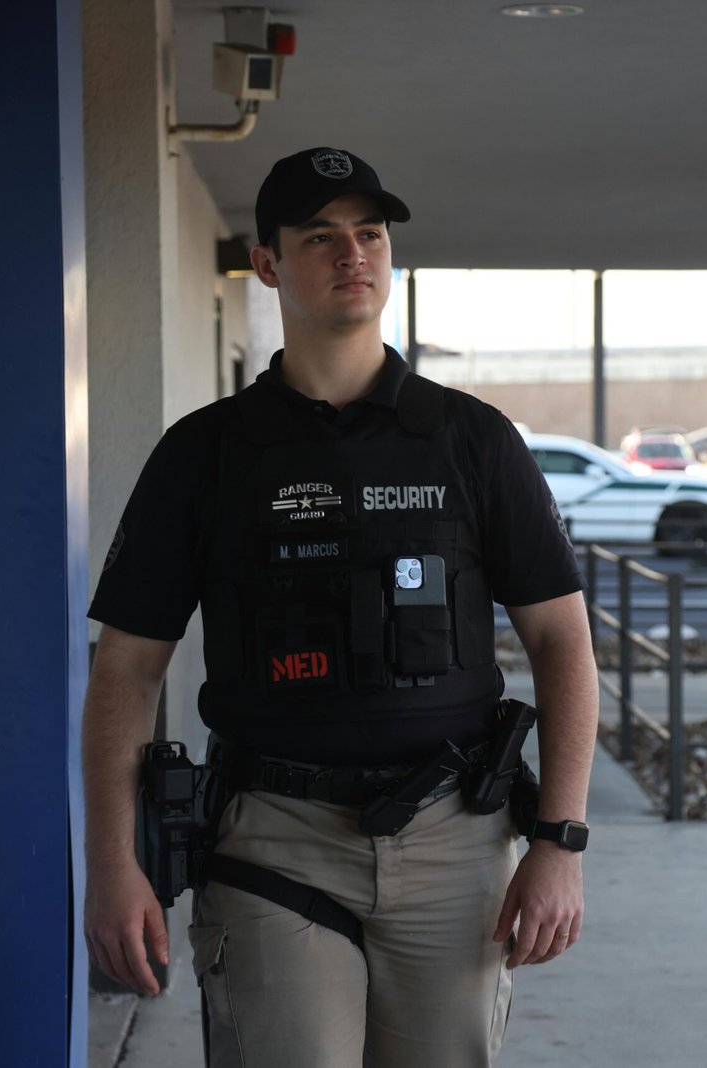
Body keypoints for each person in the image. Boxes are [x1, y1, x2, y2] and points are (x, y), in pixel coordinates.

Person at [81, 146, 599, 1066]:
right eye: (320, 236)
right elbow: (128, 664)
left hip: (455, 843)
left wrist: (560, 840)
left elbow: (562, 639)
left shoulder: (471, 441)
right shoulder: (205, 455)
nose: (351, 254)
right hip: (272, 841)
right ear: (269, 265)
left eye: (369, 233)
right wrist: (112, 862)